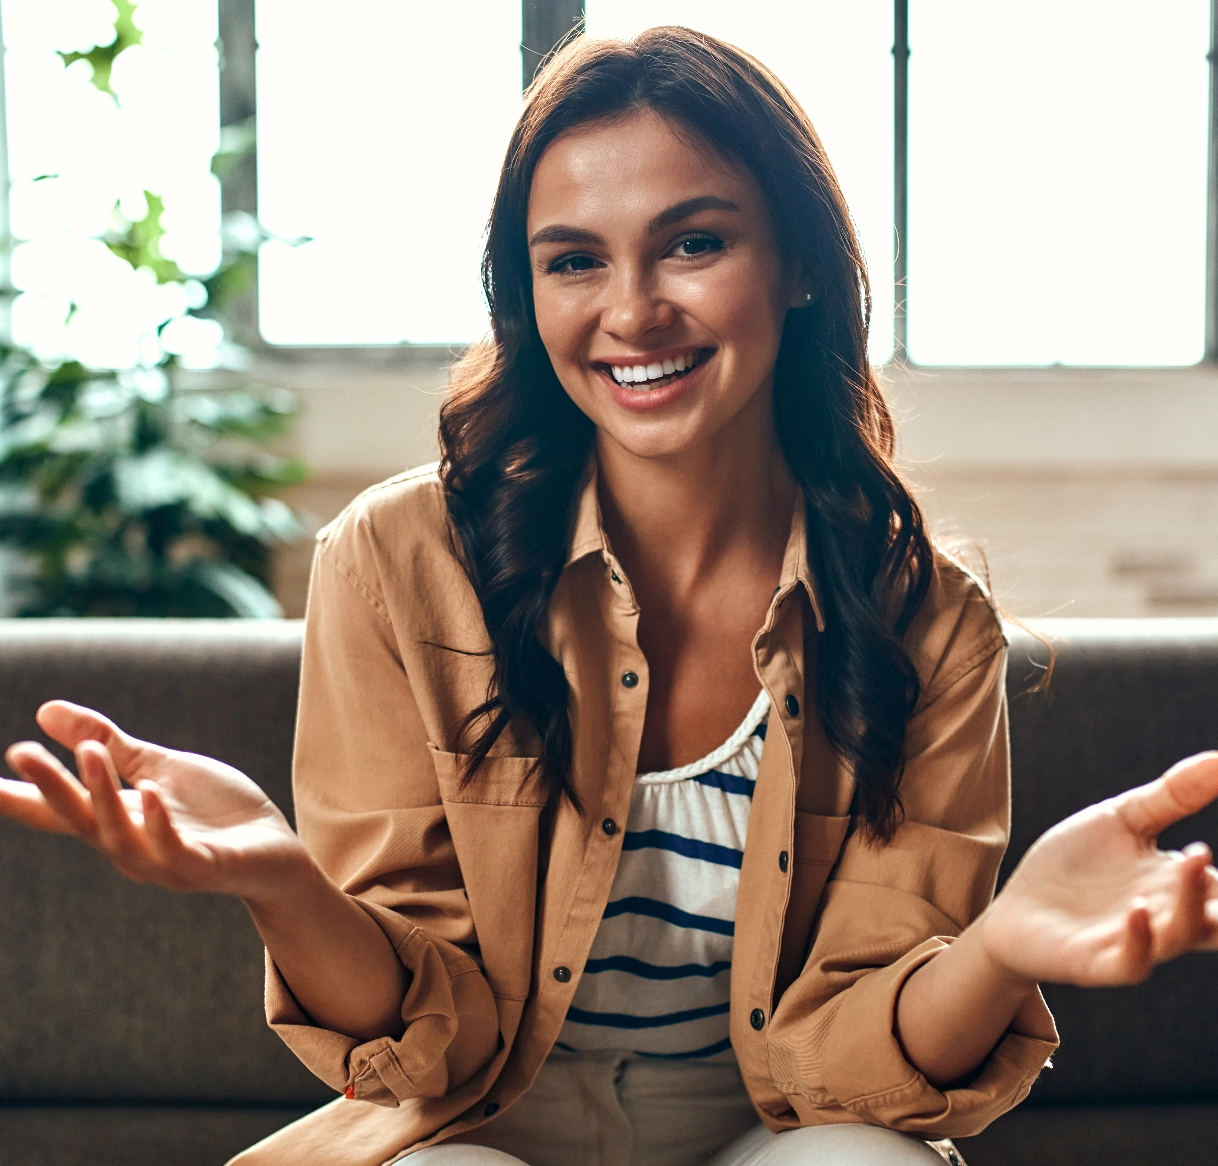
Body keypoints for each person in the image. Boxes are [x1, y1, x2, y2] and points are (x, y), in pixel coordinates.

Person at [2, 26, 1217, 1166]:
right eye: (575, 260)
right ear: (526, 295)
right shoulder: (392, 557)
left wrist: (1000, 948)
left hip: (780, 1122)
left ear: (795, 261)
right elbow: (434, 1046)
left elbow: (854, 1068)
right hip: (480, 1118)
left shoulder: (929, 619)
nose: (632, 311)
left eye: (693, 242)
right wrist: (280, 880)